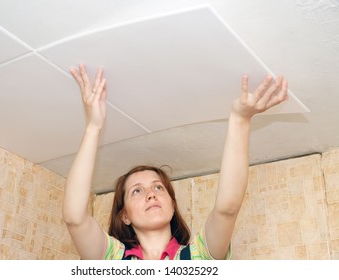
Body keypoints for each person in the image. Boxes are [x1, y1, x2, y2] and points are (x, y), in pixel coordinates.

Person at [62, 64, 288, 260]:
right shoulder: (111, 259)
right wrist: (93, 127)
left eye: (158, 187)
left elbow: (227, 209)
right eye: (137, 191)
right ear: (125, 216)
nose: (151, 194)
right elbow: (74, 218)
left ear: (172, 204)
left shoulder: (199, 256)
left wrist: (240, 119)